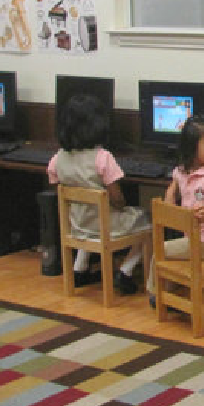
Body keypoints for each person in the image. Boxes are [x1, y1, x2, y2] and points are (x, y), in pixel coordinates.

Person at [47, 93, 150, 293]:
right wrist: (122, 207)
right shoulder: (103, 158)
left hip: (77, 225)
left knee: (90, 218)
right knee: (150, 222)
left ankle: (80, 268)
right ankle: (126, 271)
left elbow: (57, 186)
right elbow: (118, 199)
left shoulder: (57, 158)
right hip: (105, 226)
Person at [147, 115, 204, 306]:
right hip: (193, 238)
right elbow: (172, 192)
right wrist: (170, 196)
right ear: (192, 146)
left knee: (160, 250)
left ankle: (156, 294)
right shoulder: (182, 172)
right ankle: (165, 293)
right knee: (167, 249)